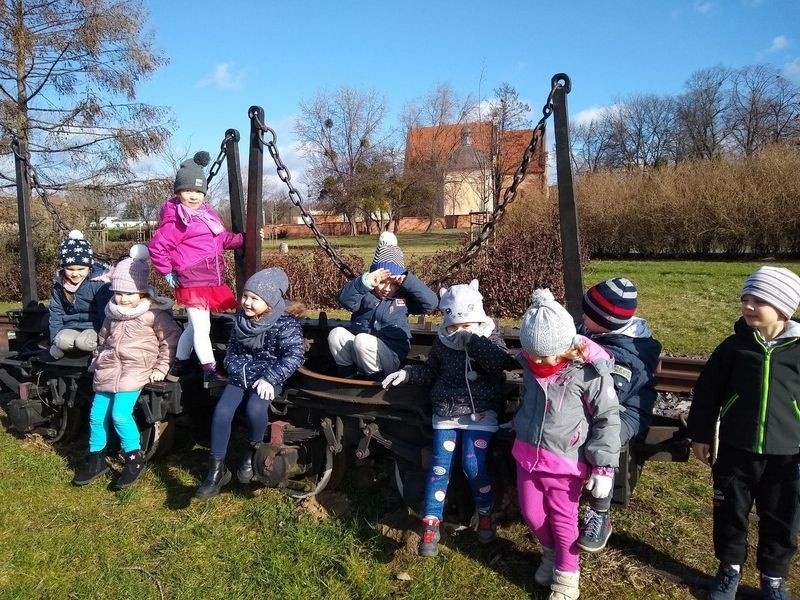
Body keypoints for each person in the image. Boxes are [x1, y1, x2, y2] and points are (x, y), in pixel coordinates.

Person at [687, 266, 800, 600]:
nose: (748, 306)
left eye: (758, 300)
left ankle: (773, 579)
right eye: (745, 298)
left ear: (783, 307)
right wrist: (700, 434)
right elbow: (707, 393)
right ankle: (729, 570)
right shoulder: (734, 347)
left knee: (782, 518)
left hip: (788, 456)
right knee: (730, 513)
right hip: (736, 450)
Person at [381, 279, 516, 557]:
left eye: (466, 326)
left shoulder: (489, 337)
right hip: (446, 412)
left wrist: (474, 343)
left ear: (478, 320)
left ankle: (485, 511)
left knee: (472, 463)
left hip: (480, 412)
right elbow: (431, 371)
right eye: (454, 327)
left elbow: (500, 362)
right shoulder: (443, 342)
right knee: (439, 467)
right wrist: (407, 373)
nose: (458, 332)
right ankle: (431, 522)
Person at [512, 288, 620, 600]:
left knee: (563, 521)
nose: (537, 361)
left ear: (564, 348)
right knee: (532, 513)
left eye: (544, 355)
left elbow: (607, 418)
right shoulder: (531, 364)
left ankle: (567, 577)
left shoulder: (588, 374)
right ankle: (550, 554)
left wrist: (603, 467)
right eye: (532, 354)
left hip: (565, 461)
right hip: (528, 454)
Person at [72, 245, 181, 489]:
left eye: (129, 293)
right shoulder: (112, 314)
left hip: (134, 371)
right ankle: (96, 459)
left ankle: (133, 458)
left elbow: (170, 341)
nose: (122, 298)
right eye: (118, 292)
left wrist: (161, 367)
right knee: (96, 415)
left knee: (120, 414)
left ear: (141, 292)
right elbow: (103, 340)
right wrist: (96, 361)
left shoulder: (153, 315)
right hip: (108, 370)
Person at [195, 267, 306, 500]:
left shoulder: (285, 324)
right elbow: (232, 350)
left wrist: (271, 378)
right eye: (245, 296)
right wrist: (234, 368)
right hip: (240, 377)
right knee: (222, 412)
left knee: (255, 408)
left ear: (270, 302)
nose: (246, 302)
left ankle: (252, 450)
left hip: (268, 377)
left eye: (254, 298)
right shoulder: (242, 320)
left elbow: (294, 355)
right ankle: (216, 471)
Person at [576, 277, 662, 552]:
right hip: (590, 399)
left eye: (587, 314)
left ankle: (600, 511)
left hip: (624, 409)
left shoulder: (629, 355)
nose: (582, 317)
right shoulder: (593, 329)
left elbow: (609, 397)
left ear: (606, 322)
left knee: (603, 437)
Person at [148, 151, 244, 387]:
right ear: (178, 191)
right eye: (188, 190)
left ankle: (180, 362)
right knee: (202, 326)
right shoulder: (178, 220)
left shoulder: (207, 215)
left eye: (199, 191)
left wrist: (245, 238)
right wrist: (166, 271)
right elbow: (157, 247)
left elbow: (222, 239)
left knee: (193, 326)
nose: (193, 196)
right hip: (192, 279)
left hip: (208, 278)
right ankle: (209, 369)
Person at [328, 231, 438, 378]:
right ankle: (347, 375)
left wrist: (408, 281)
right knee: (336, 334)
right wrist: (364, 282)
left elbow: (431, 303)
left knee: (362, 341)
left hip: (390, 354)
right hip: (359, 350)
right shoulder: (365, 293)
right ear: (374, 279)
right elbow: (345, 300)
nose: (387, 288)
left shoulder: (404, 297)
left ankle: (374, 379)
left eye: (393, 284)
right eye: (382, 282)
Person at [48, 230, 113, 359]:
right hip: (71, 325)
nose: (75, 274)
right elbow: (56, 312)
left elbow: (104, 313)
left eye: (81, 269)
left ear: (89, 267)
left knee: (83, 342)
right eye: (70, 269)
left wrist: (104, 341)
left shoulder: (98, 284)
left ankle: (90, 349)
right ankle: (70, 348)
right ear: (63, 268)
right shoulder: (60, 285)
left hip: (93, 326)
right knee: (61, 341)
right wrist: (54, 341)